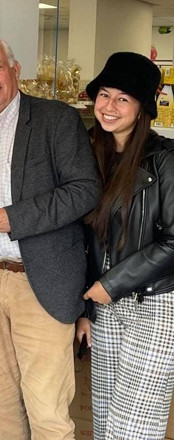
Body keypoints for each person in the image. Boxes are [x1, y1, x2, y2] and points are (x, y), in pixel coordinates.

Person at [0, 34, 100, 439]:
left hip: (42, 282)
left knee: (46, 408)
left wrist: (12, 218)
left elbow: (84, 190)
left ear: (14, 70)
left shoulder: (56, 119)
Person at [75, 52, 174, 440]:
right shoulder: (87, 154)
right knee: (104, 426)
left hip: (156, 304)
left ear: (142, 108)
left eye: (123, 99)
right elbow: (82, 239)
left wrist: (111, 284)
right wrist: (85, 307)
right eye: (104, 94)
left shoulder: (166, 160)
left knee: (132, 430)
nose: (109, 107)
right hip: (102, 309)